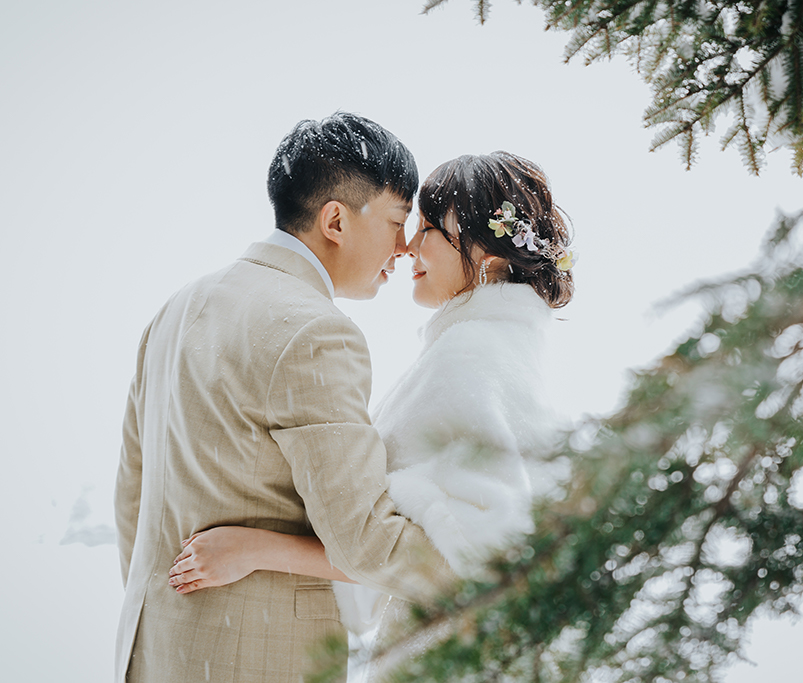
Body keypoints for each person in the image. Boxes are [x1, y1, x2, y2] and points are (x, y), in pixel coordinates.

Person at [166, 151, 576, 670]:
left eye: (429, 228)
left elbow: (472, 563)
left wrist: (257, 549)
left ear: (489, 257)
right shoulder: (502, 354)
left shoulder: (469, 360)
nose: (407, 248)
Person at [114, 112, 458, 683]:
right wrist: (482, 563)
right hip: (258, 660)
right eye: (398, 221)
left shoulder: (177, 307)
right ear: (335, 221)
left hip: (156, 647)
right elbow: (364, 540)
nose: (404, 247)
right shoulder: (314, 332)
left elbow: (133, 491)